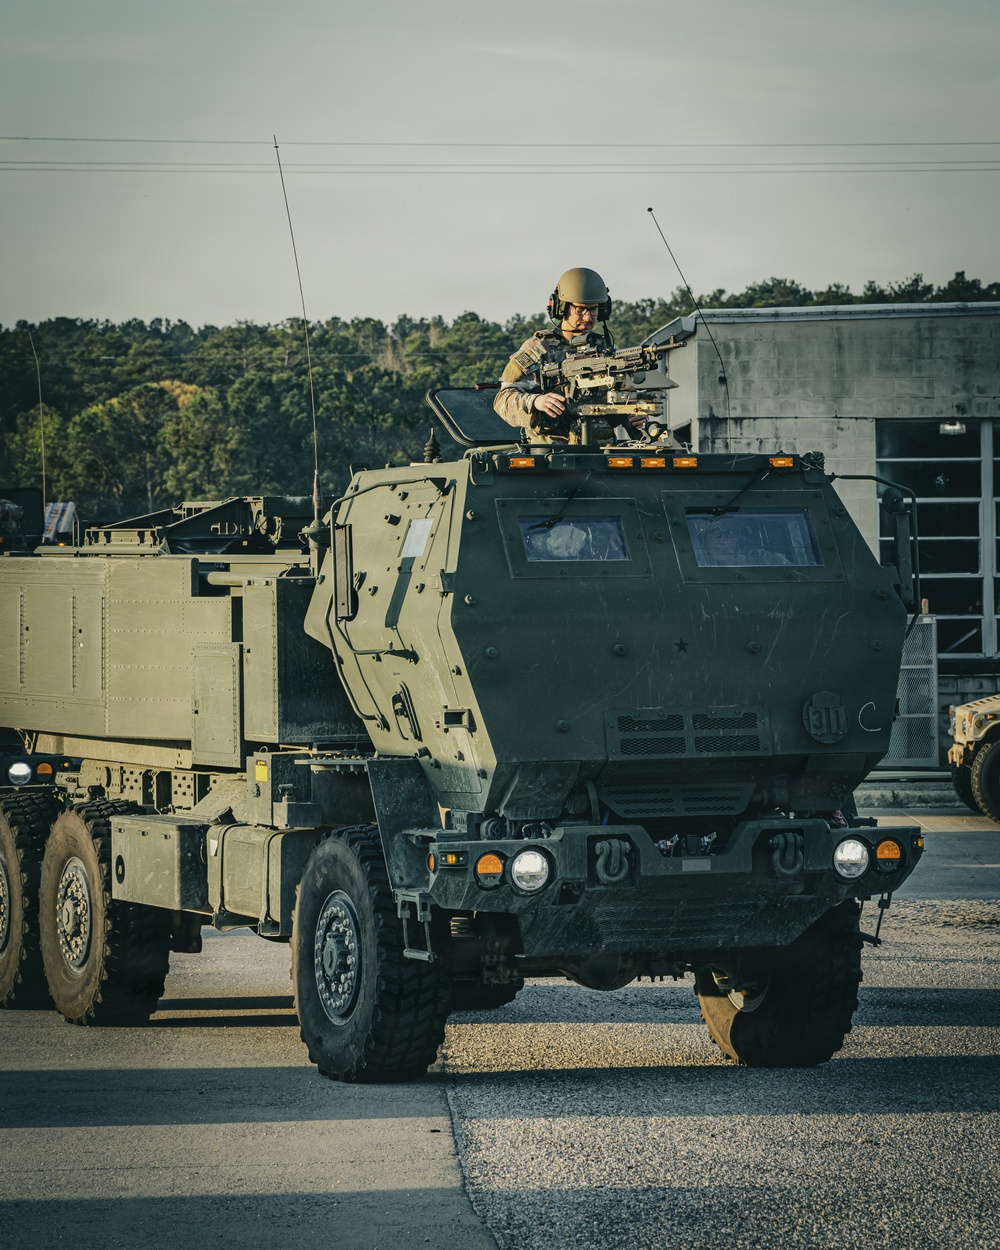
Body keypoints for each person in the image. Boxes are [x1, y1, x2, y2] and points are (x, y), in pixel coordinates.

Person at [494, 267, 613, 444]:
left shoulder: (606, 350)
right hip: (551, 456)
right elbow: (503, 400)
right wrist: (536, 401)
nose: (588, 318)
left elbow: (619, 398)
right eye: (580, 310)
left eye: (594, 309)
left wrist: (632, 416)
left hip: (603, 454)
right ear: (561, 308)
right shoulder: (538, 349)